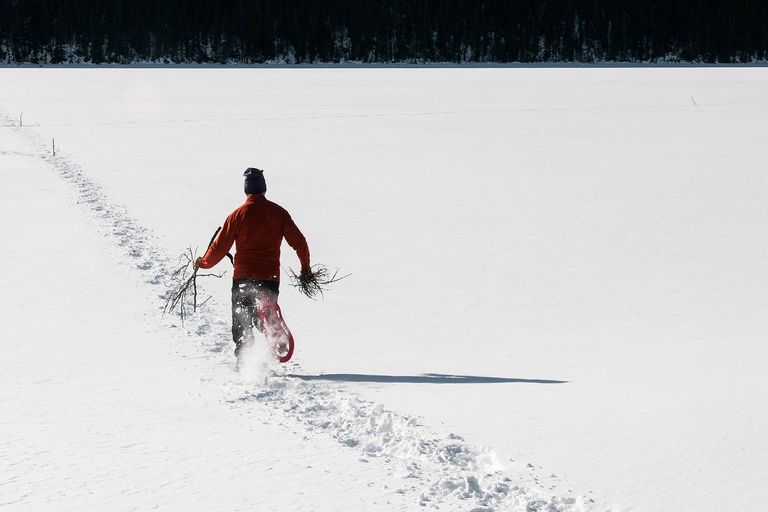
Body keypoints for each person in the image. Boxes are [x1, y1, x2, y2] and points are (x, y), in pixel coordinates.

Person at [194, 167, 310, 368]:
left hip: (243, 278)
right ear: (264, 187)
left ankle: (245, 362)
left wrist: (203, 263)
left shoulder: (237, 215)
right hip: (270, 277)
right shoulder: (279, 213)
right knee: (261, 308)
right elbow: (300, 242)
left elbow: (219, 247)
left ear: (246, 189)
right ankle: (266, 320)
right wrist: (305, 269)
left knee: (241, 320)